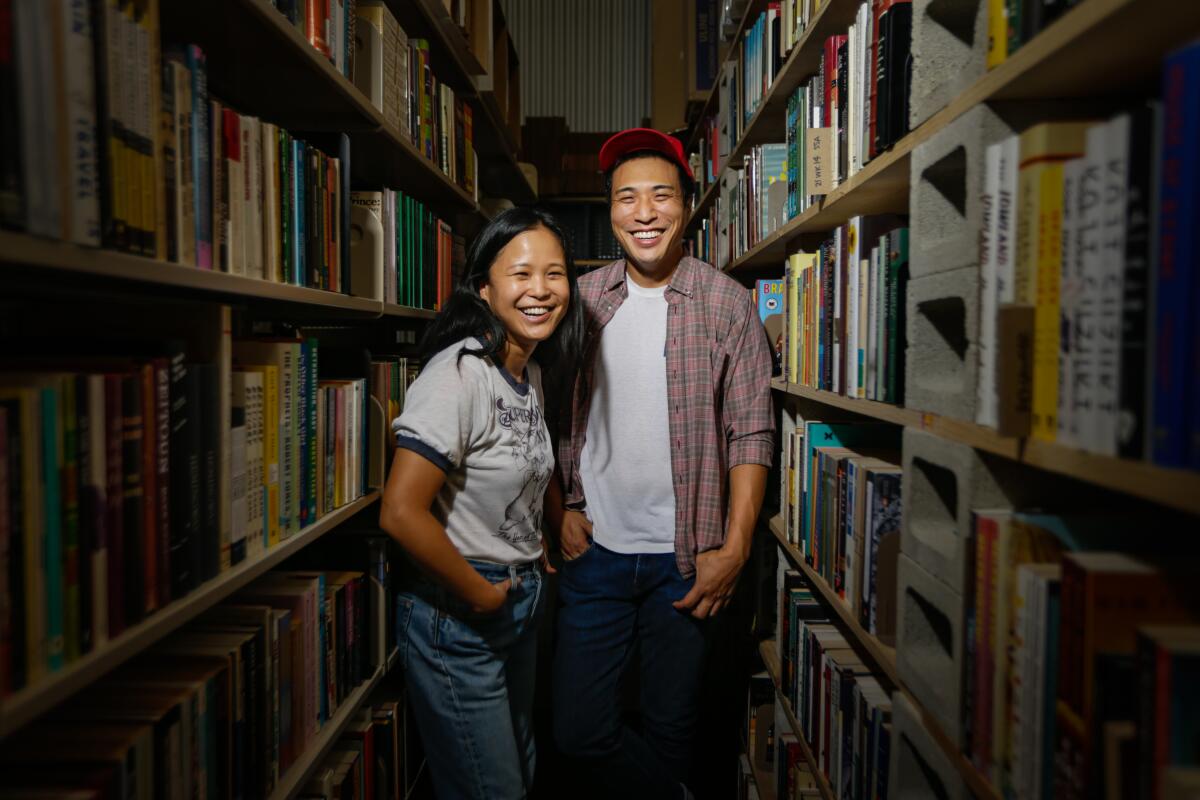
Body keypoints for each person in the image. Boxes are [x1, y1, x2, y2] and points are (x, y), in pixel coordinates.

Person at [548, 128, 775, 798]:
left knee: (673, 725)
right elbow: (541, 418)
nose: (643, 212)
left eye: (660, 196)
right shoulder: (579, 302)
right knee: (579, 730)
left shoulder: (729, 305)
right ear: (610, 209)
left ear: (687, 205)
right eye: (626, 198)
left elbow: (752, 434)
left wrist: (733, 549)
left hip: (689, 562)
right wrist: (558, 511)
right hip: (596, 554)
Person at [379, 207, 584, 800]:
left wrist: (551, 522)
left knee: (520, 768)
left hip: (518, 599)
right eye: (521, 275)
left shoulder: (528, 370)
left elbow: (528, 453)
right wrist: (480, 592)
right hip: (460, 611)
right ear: (483, 288)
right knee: (491, 787)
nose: (541, 290)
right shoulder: (461, 374)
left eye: (555, 273)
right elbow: (399, 511)